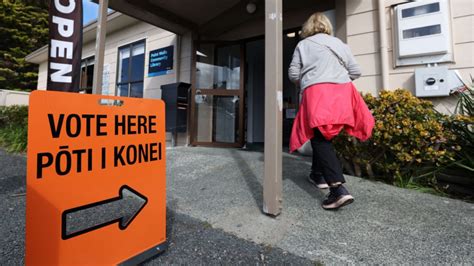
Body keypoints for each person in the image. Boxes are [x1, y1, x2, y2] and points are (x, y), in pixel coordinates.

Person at [289, 12, 375, 210]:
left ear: (308, 27)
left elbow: (293, 73)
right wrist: (336, 79)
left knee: (319, 137)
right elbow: (356, 71)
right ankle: (317, 175)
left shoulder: (303, 45)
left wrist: (311, 80)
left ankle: (338, 190)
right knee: (325, 135)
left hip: (317, 94)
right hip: (341, 94)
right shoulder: (340, 44)